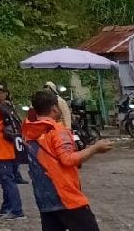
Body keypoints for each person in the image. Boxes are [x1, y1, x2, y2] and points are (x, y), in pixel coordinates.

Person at [23, 88, 113, 231]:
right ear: (54, 108)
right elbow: (68, 159)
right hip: (66, 196)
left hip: (45, 198)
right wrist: (95, 148)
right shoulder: (57, 131)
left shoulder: (30, 132)